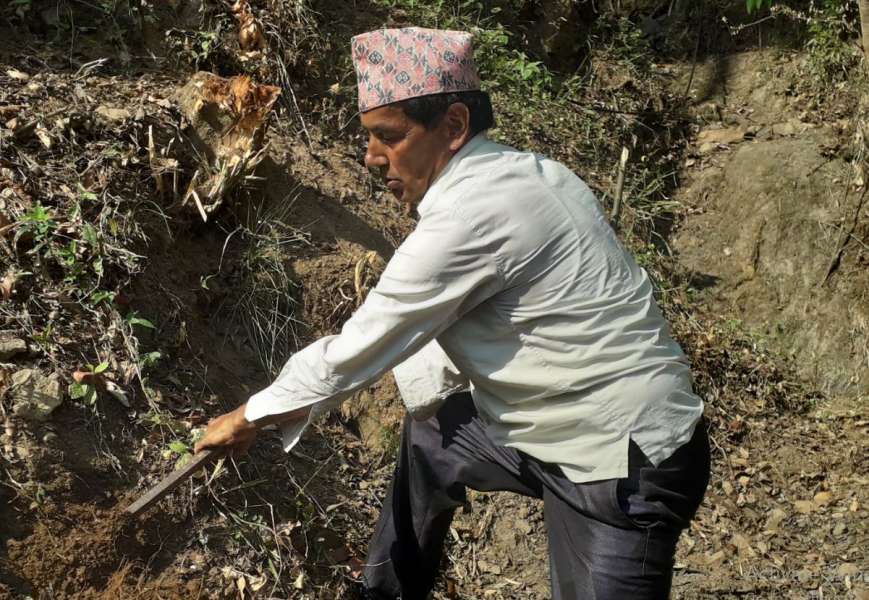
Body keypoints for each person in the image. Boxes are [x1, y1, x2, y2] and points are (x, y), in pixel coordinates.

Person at [195, 26, 710, 600]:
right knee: (434, 432)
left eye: (388, 137)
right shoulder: (532, 173)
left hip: (620, 460)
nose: (371, 158)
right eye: (369, 139)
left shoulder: (471, 215)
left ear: (455, 126)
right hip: (553, 433)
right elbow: (454, 331)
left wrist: (250, 415)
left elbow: (364, 343)